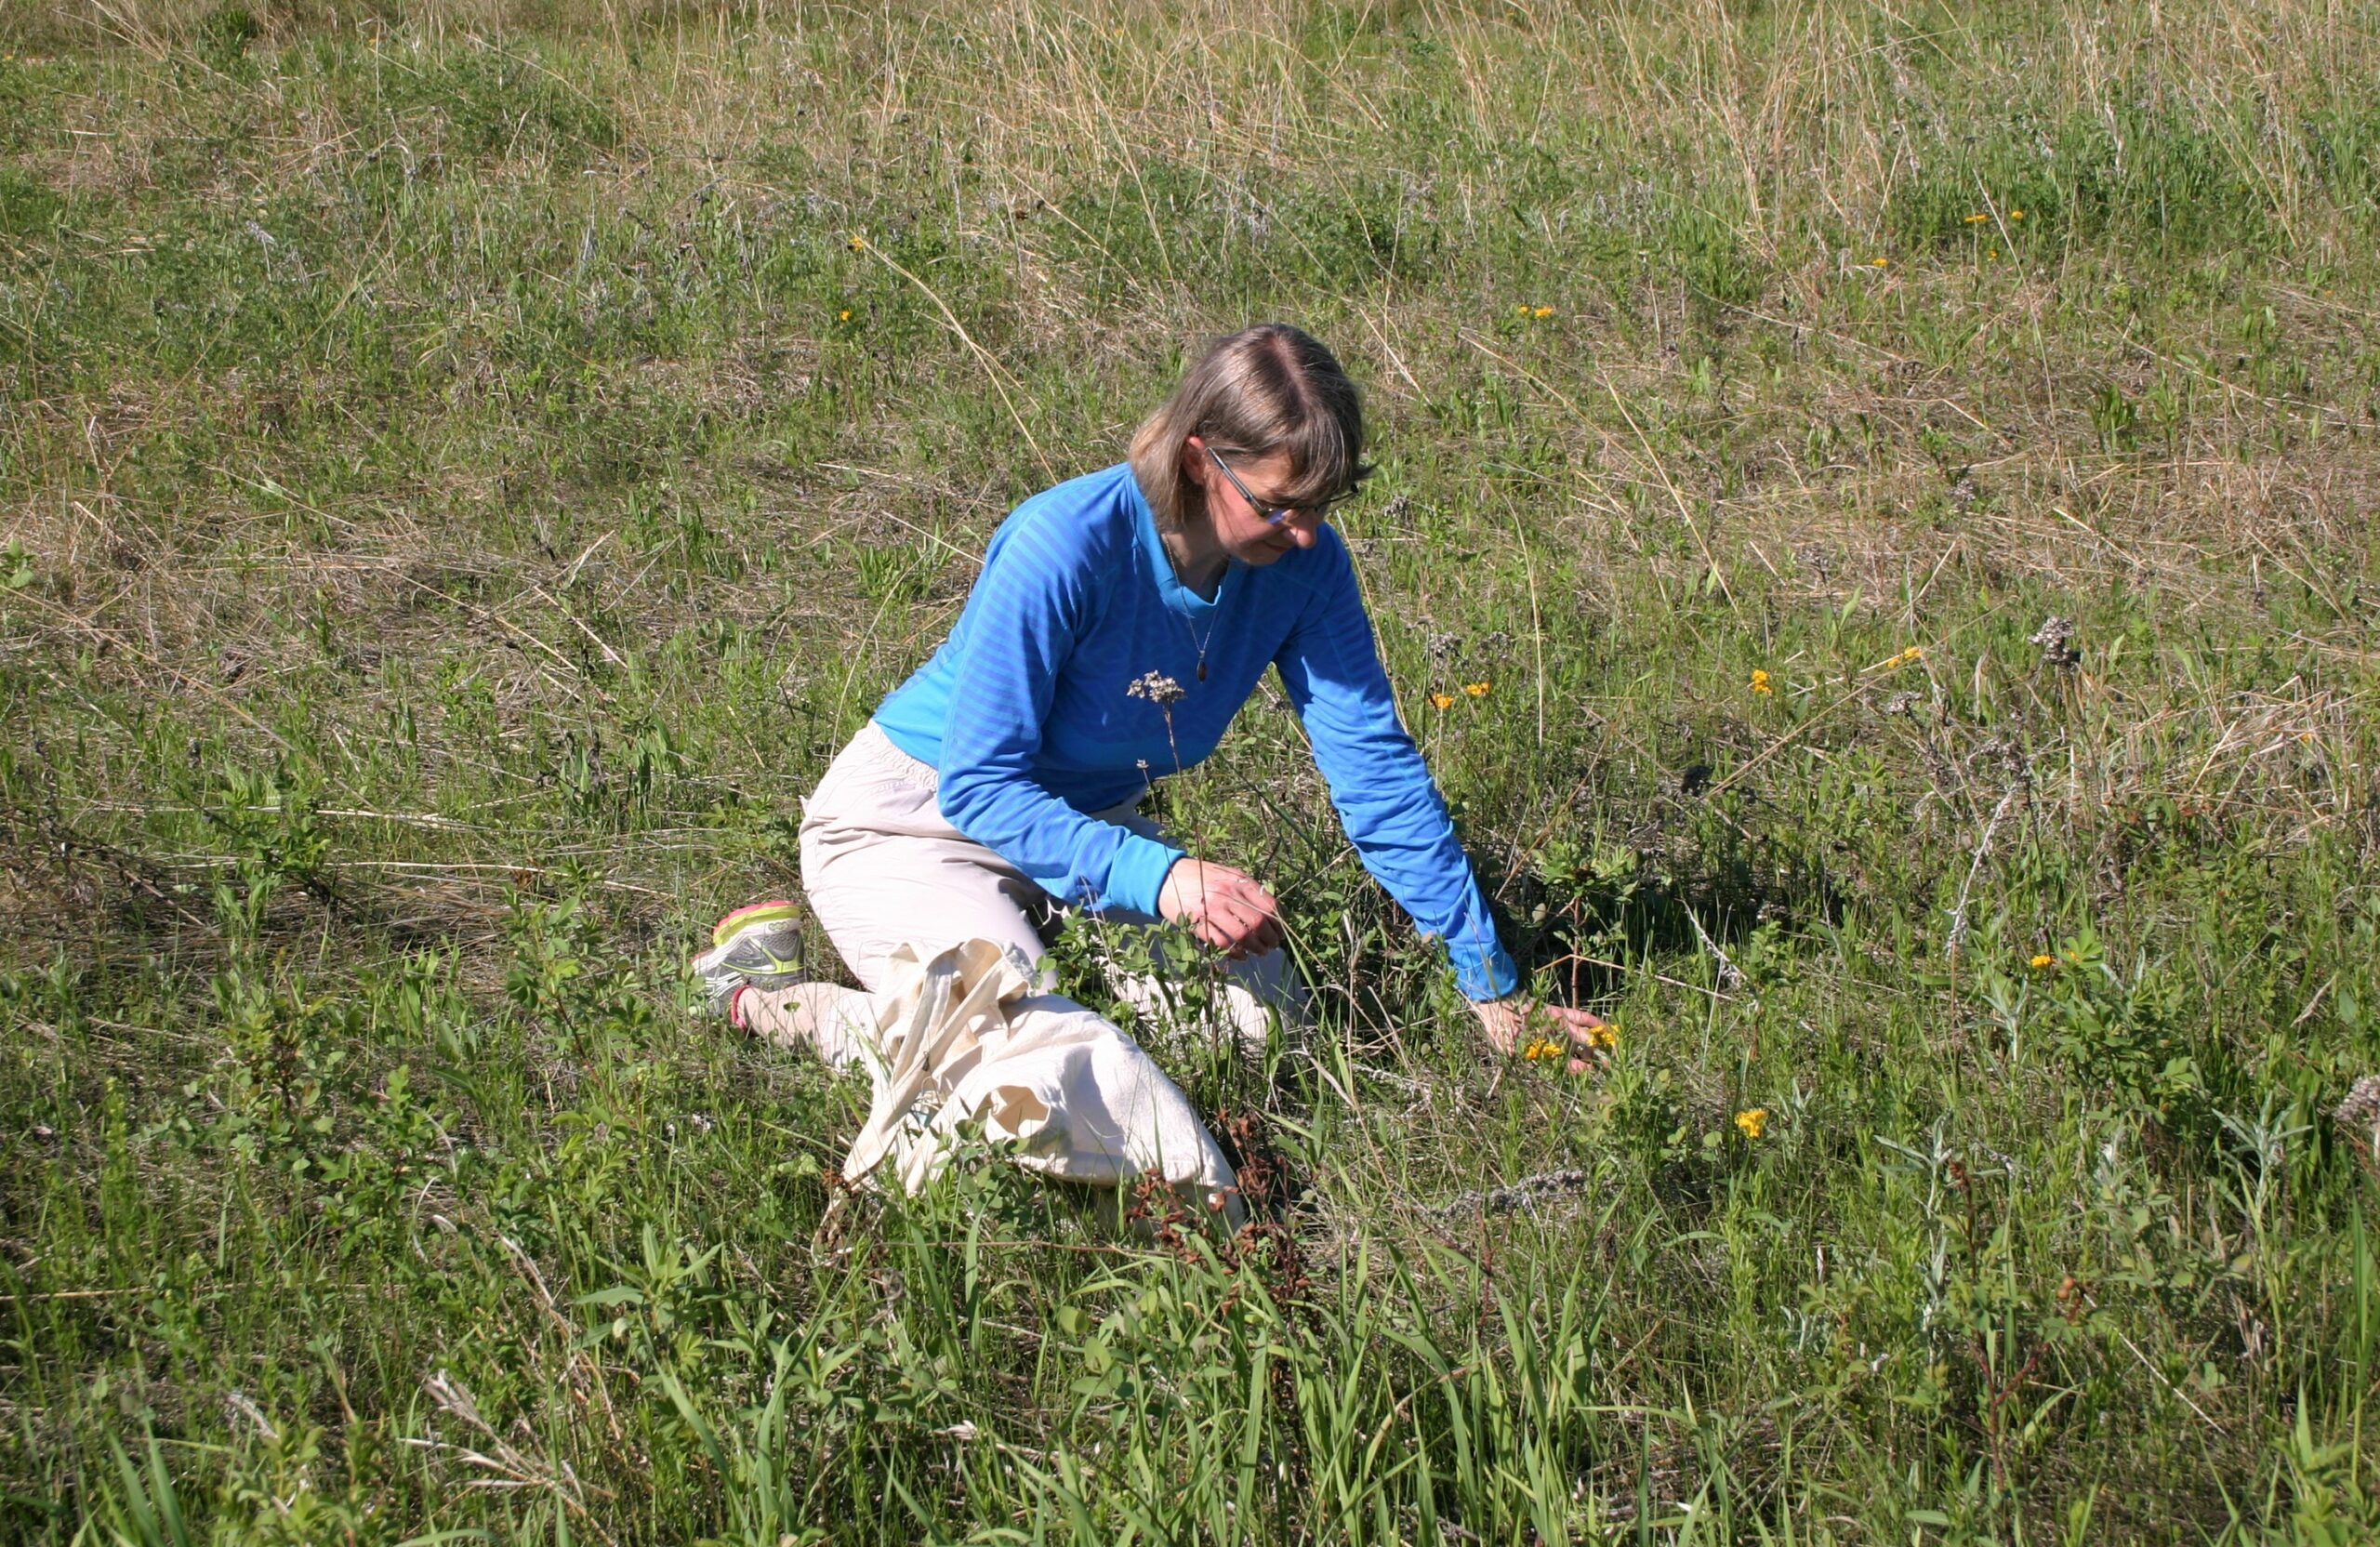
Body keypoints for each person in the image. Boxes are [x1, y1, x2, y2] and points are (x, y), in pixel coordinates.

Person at [694, 324, 1608, 1211]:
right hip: (912, 824)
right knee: (1043, 1072)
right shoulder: (1065, 542)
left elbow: (1373, 764)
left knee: (1259, 1035)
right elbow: (978, 783)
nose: (1303, 533)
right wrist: (1162, 876)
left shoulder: (1306, 567)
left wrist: (1489, 981)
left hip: (1075, 834)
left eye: (1322, 505)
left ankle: (983, 988)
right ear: (1201, 456)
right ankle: (769, 1000)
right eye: (1278, 504)